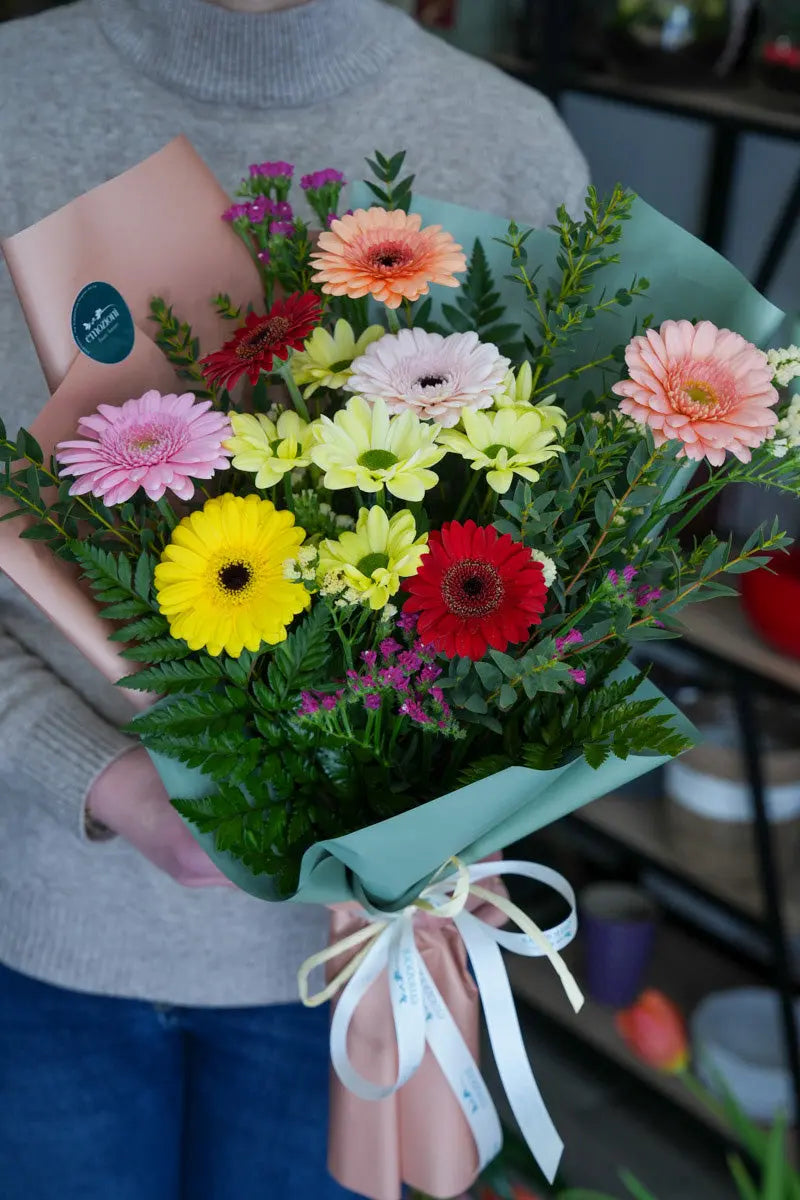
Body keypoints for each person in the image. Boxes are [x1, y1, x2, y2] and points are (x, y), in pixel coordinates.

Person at [0, 1, 588, 1196]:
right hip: (41, 940)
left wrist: (444, 817)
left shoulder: (508, 147)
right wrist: (100, 774)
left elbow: (560, 585)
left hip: (352, 973)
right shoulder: (15, 104)